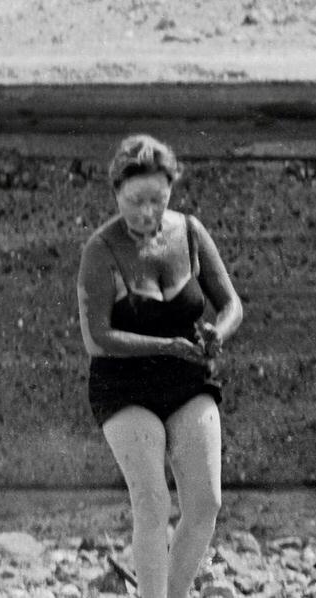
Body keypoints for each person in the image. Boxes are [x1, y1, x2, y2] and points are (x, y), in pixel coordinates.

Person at [76, 135, 244, 598]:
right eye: (135, 202)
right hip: (124, 384)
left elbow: (230, 303)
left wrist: (219, 332)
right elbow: (98, 337)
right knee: (152, 502)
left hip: (187, 376)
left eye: (157, 199)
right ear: (116, 193)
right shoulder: (101, 249)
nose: (147, 212)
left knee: (206, 502)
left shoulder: (189, 231)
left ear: (171, 190)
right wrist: (166, 344)